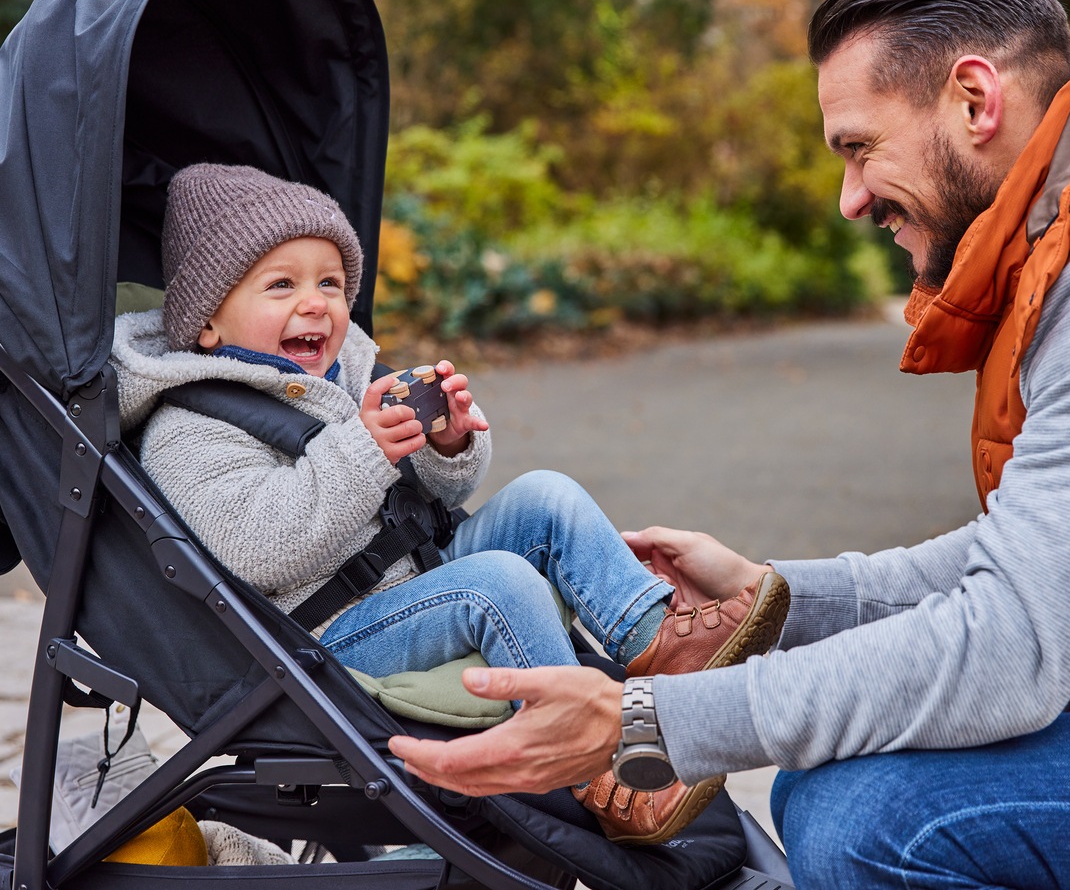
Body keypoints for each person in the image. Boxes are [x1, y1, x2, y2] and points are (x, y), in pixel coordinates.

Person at [389, 0, 1070, 888]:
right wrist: (782, 596)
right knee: (827, 787)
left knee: (874, 817)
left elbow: (1011, 645)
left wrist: (648, 728)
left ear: (975, 100)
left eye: (859, 148)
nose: (848, 199)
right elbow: (1028, 555)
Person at [108, 162, 792, 845]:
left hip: (409, 578)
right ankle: (597, 769)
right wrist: (366, 451)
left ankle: (658, 644)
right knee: (499, 586)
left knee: (544, 496)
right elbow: (262, 548)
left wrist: (445, 446)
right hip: (327, 631)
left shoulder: (337, 372)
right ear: (206, 321)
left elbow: (433, 497)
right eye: (281, 285)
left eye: (331, 283)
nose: (316, 303)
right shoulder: (188, 428)